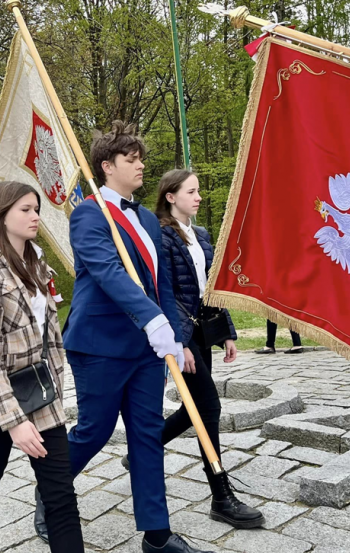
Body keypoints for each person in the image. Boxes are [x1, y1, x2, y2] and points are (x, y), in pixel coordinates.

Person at [37, 122, 211, 553]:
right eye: (130, 160)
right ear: (106, 166)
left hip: (147, 348)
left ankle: (156, 534)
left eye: (140, 158)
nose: (140, 165)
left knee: (147, 433)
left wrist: (174, 332)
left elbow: (161, 284)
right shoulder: (89, 214)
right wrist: (152, 320)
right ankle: (51, 488)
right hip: (100, 344)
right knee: (95, 431)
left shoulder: (149, 219)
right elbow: (107, 271)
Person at [119, 169, 263, 528]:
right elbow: (163, 292)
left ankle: (143, 448)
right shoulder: (162, 237)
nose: (198, 197)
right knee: (209, 407)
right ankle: (221, 496)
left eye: (198, 191)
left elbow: (212, 288)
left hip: (203, 333)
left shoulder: (201, 235)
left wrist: (226, 332)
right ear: (170, 196)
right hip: (181, 334)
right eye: (191, 191)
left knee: (195, 408)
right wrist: (179, 343)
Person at [0, 181, 83, 553]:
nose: (35, 215)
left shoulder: (36, 263)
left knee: (61, 497)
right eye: (25, 209)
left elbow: (50, 337)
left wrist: (55, 390)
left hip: (40, 395)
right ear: (0, 214)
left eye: (36, 208)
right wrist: (14, 421)